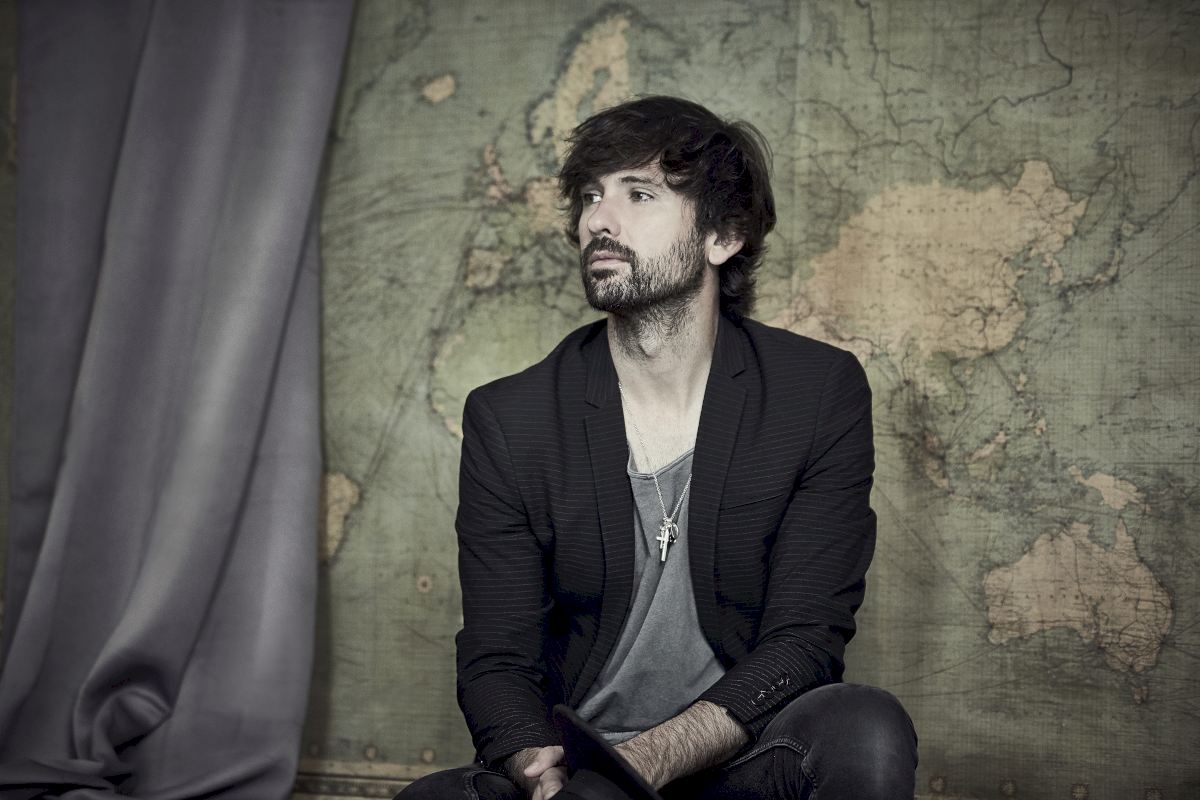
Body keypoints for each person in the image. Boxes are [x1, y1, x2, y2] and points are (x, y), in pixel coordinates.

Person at [399, 96, 917, 800]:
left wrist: (644, 762)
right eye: (590, 196)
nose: (597, 220)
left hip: (738, 760)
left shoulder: (816, 392)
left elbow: (806, 640)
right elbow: (498, 658)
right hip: (581, 772)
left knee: (866, 726)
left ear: (722, 236)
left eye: (638, 194)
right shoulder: (510, 418)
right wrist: (537, 764)